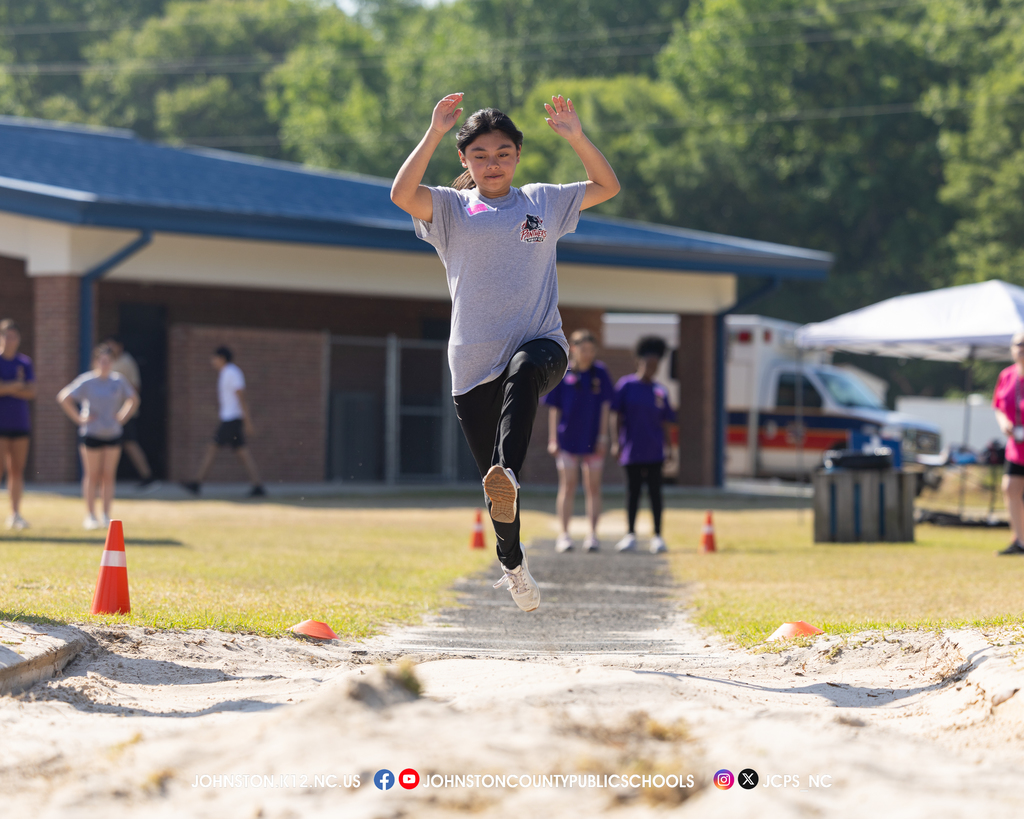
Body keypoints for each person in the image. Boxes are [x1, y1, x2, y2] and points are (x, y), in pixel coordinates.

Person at [390, 92, 620, 611]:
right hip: (472, 366)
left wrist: (576, 137)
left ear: (517, 155)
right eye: (480, 155)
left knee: (523, 373)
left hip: (543, 346)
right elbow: (402, 195)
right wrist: (432, 132)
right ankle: (513, 565)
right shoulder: (451, 208)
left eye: (503, 153)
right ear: (464, 160)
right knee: (497, 492)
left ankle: (508, 473)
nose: (492, 164)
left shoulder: (542, 201)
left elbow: (608, 186)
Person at [544, 328, 613, 552]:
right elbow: (553, 408)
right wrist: (553, 438)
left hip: (594, 438)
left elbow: (605, 407)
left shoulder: (600, 373)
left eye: (592, 350)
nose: (588, 354)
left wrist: (603, 437)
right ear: (573, 349)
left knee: (593, 486)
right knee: (568, 485)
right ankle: (564, 535)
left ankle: (592, 535)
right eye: (584, 349)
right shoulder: (563, 371)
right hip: (567, 440)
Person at [58, 343, 139, 530]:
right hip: (91, 433)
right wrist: (79, 419)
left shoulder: (118, 381)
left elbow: (133, 399)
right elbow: (64, 397)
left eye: (108, 361)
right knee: (92, 475)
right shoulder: (86, 381)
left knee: (108, 475)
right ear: (95, 362)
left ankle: (105, 514)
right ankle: (90, 515)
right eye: (101, 361)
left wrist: (121, 418)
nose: (105, 364)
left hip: (112, 434)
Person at [610, 336, 677, 554]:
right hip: (631, 450)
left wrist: (669, 448)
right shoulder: (626, 386)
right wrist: (615, 442)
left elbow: (666, 421)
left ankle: (657, 536)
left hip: (655, 450)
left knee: (656, 494)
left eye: (656, 366)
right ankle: (630, 534)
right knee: (633, 492)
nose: (652, 369)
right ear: (639, 362)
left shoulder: (660, 391)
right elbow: (616, 416)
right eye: (648, 364)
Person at [182, 346, 265, 498]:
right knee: (243, 453)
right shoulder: (226, 373)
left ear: (222, 358)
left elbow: (241, 396)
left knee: (212, 449)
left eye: (214, 358)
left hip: (231, 419)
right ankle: (258, 486)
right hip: (230, 418)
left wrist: (248, 422)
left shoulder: (232, 372)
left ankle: (197, 483)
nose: (212, 361)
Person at [103, 336, 155, 488]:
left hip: (122, 413)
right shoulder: (107, 361)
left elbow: (135, 387)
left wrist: (125, 408)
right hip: (107, 413)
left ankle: (148, 477)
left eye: (113, 345)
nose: (111, 348)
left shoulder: (126, 361)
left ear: (120, 346)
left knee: (130, 443)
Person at [0, 319, 35, 530]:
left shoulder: (25, 362)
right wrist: (15, 385)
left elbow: (32, 392)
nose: (9, 340)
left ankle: (15, 514)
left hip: (20, 423)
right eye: (5, 336)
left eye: (13, 336)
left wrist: (7, 387)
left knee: (16, 470)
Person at [992, 329, 1024, 555]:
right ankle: (1019, 540)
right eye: (1018, 344)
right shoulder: (1007, 375)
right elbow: (998, 406)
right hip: (1016, 445)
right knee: (1010, 488)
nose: (1022, 349)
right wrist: (1004, 422)